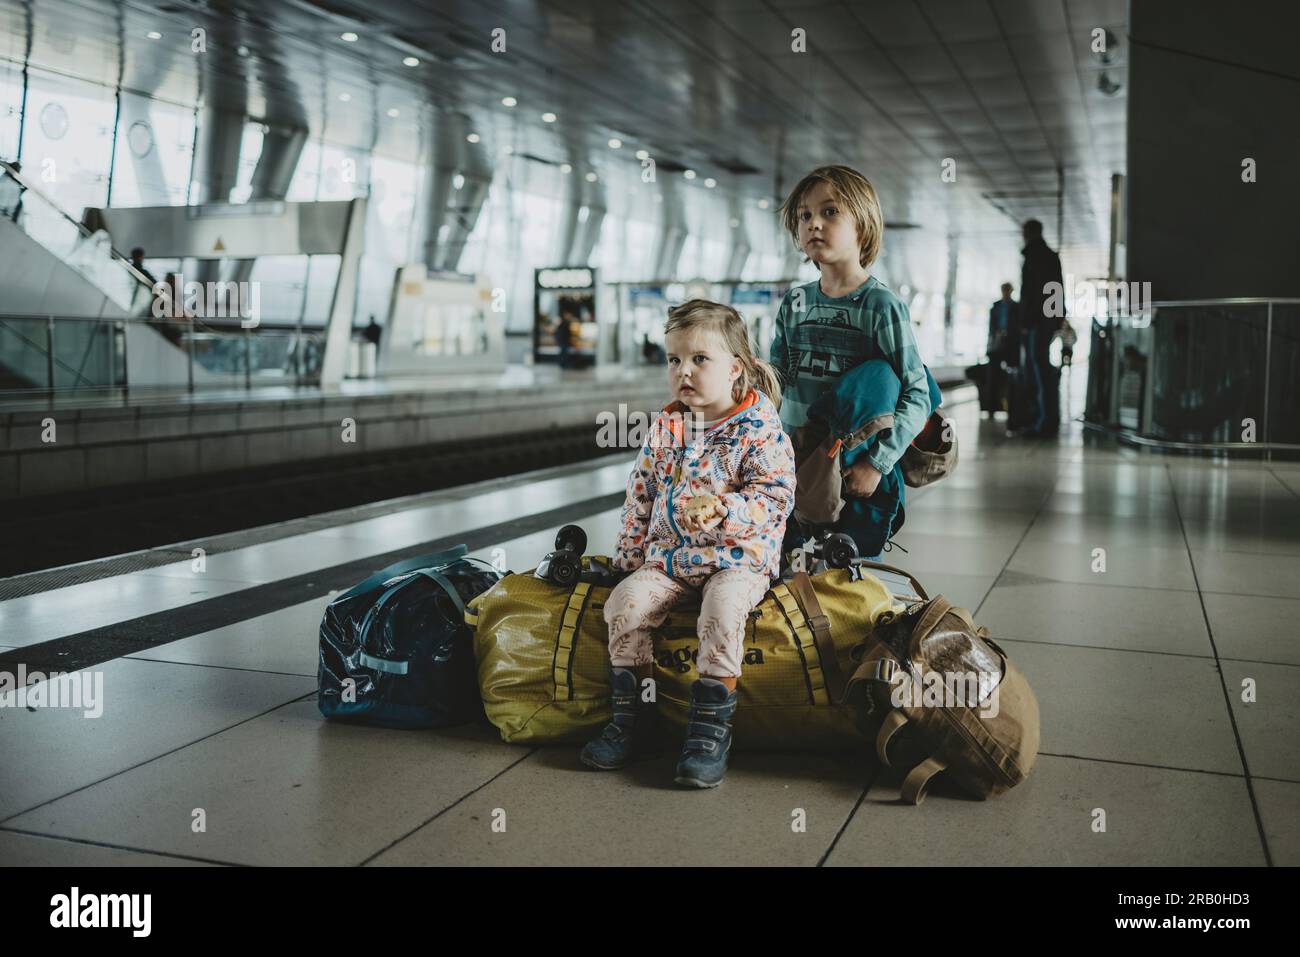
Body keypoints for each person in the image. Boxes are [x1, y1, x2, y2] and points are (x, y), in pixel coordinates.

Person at [582, 299, 795, 789]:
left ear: (736, 369)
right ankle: (631, 720)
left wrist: (729, 512)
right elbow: (641, 495)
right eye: (674, 360)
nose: (685, 371)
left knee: (720, 613)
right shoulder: (666, 427)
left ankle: (708, 733)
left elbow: (776, 496)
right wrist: (629, 559)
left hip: (737, 558)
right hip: (672, 558)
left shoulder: (759, 430)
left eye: (701, 359)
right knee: (625, 606)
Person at [770, 164, 931, 558]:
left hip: (855, 471)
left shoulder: (881, 306)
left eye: (829, 212)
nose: (813, 224)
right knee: (776, 577)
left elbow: (918, 393)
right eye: (805, 215)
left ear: (863, 222)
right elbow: (776, 383)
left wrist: (878, 463)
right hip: (793, 464)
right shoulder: (795, 302)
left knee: (848, 578)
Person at [1018, 219, 1065, 437]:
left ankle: (1044, 420)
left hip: (1037, 321)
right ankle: (1048, 418)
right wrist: (1056, 319)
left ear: (1028, 233)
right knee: (1043, 368)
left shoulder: (1033, 257)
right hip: (1046, 320)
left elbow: (1031, 294)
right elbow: (1056, 288)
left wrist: (1026, 322)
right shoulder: (1050, 256)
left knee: (1038, 369)